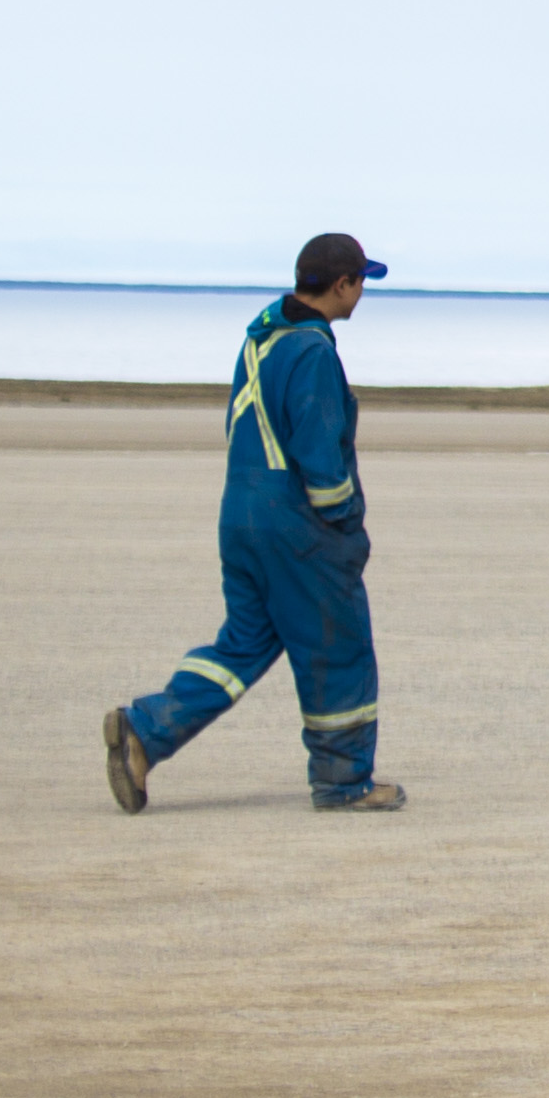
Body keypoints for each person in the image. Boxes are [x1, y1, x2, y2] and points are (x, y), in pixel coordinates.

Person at [101, 231, 403, 814]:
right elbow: (320, 455)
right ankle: (345, 783)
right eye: (361, 282)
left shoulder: (261, 340)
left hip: (240, 515)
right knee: (338, 646)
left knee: (244, 644)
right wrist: (345, 525)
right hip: (296, 527)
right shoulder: (313, 351)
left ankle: (145, 730)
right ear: (341, 285)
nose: (363, 292)